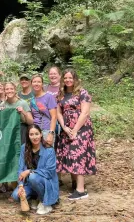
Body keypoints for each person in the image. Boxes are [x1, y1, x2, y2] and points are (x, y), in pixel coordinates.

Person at [56, 69, 96, 200]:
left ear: (75, 79)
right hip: (66, 129)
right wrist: (64, 127)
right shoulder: (60, 93)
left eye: (70, 78)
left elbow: (85, 113)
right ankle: (75, 185)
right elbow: (59, 112)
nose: (68, 80)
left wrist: (75, 130)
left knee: (77, 154)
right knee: (69, 155)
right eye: (65, 78)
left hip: (82, 128)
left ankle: (81, 190)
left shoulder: (82, 93)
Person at [11, 125, 59, 215]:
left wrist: (29, 171)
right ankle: (35, 199)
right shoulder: (24, 148)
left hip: (46, 182)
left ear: (41, 134)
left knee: (33, 177)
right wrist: (21, 185)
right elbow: (21, 168)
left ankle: (45, 202)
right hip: (29, 182)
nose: (34, 137)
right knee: (16, 195)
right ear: (28, 136)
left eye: (36, 134)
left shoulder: (49, 150)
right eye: (31, 134)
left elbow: (49, 172)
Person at [29, 74, 57, 147]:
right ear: (31, 84)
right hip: (35, 132)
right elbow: (32, 117)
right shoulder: (32, 100)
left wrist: (51, 133)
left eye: (39, 82)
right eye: (34, 82)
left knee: (47, 155)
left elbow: (54, 117)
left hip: (47, 131)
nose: (36, 84)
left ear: (42, 84)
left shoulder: (48, 97)